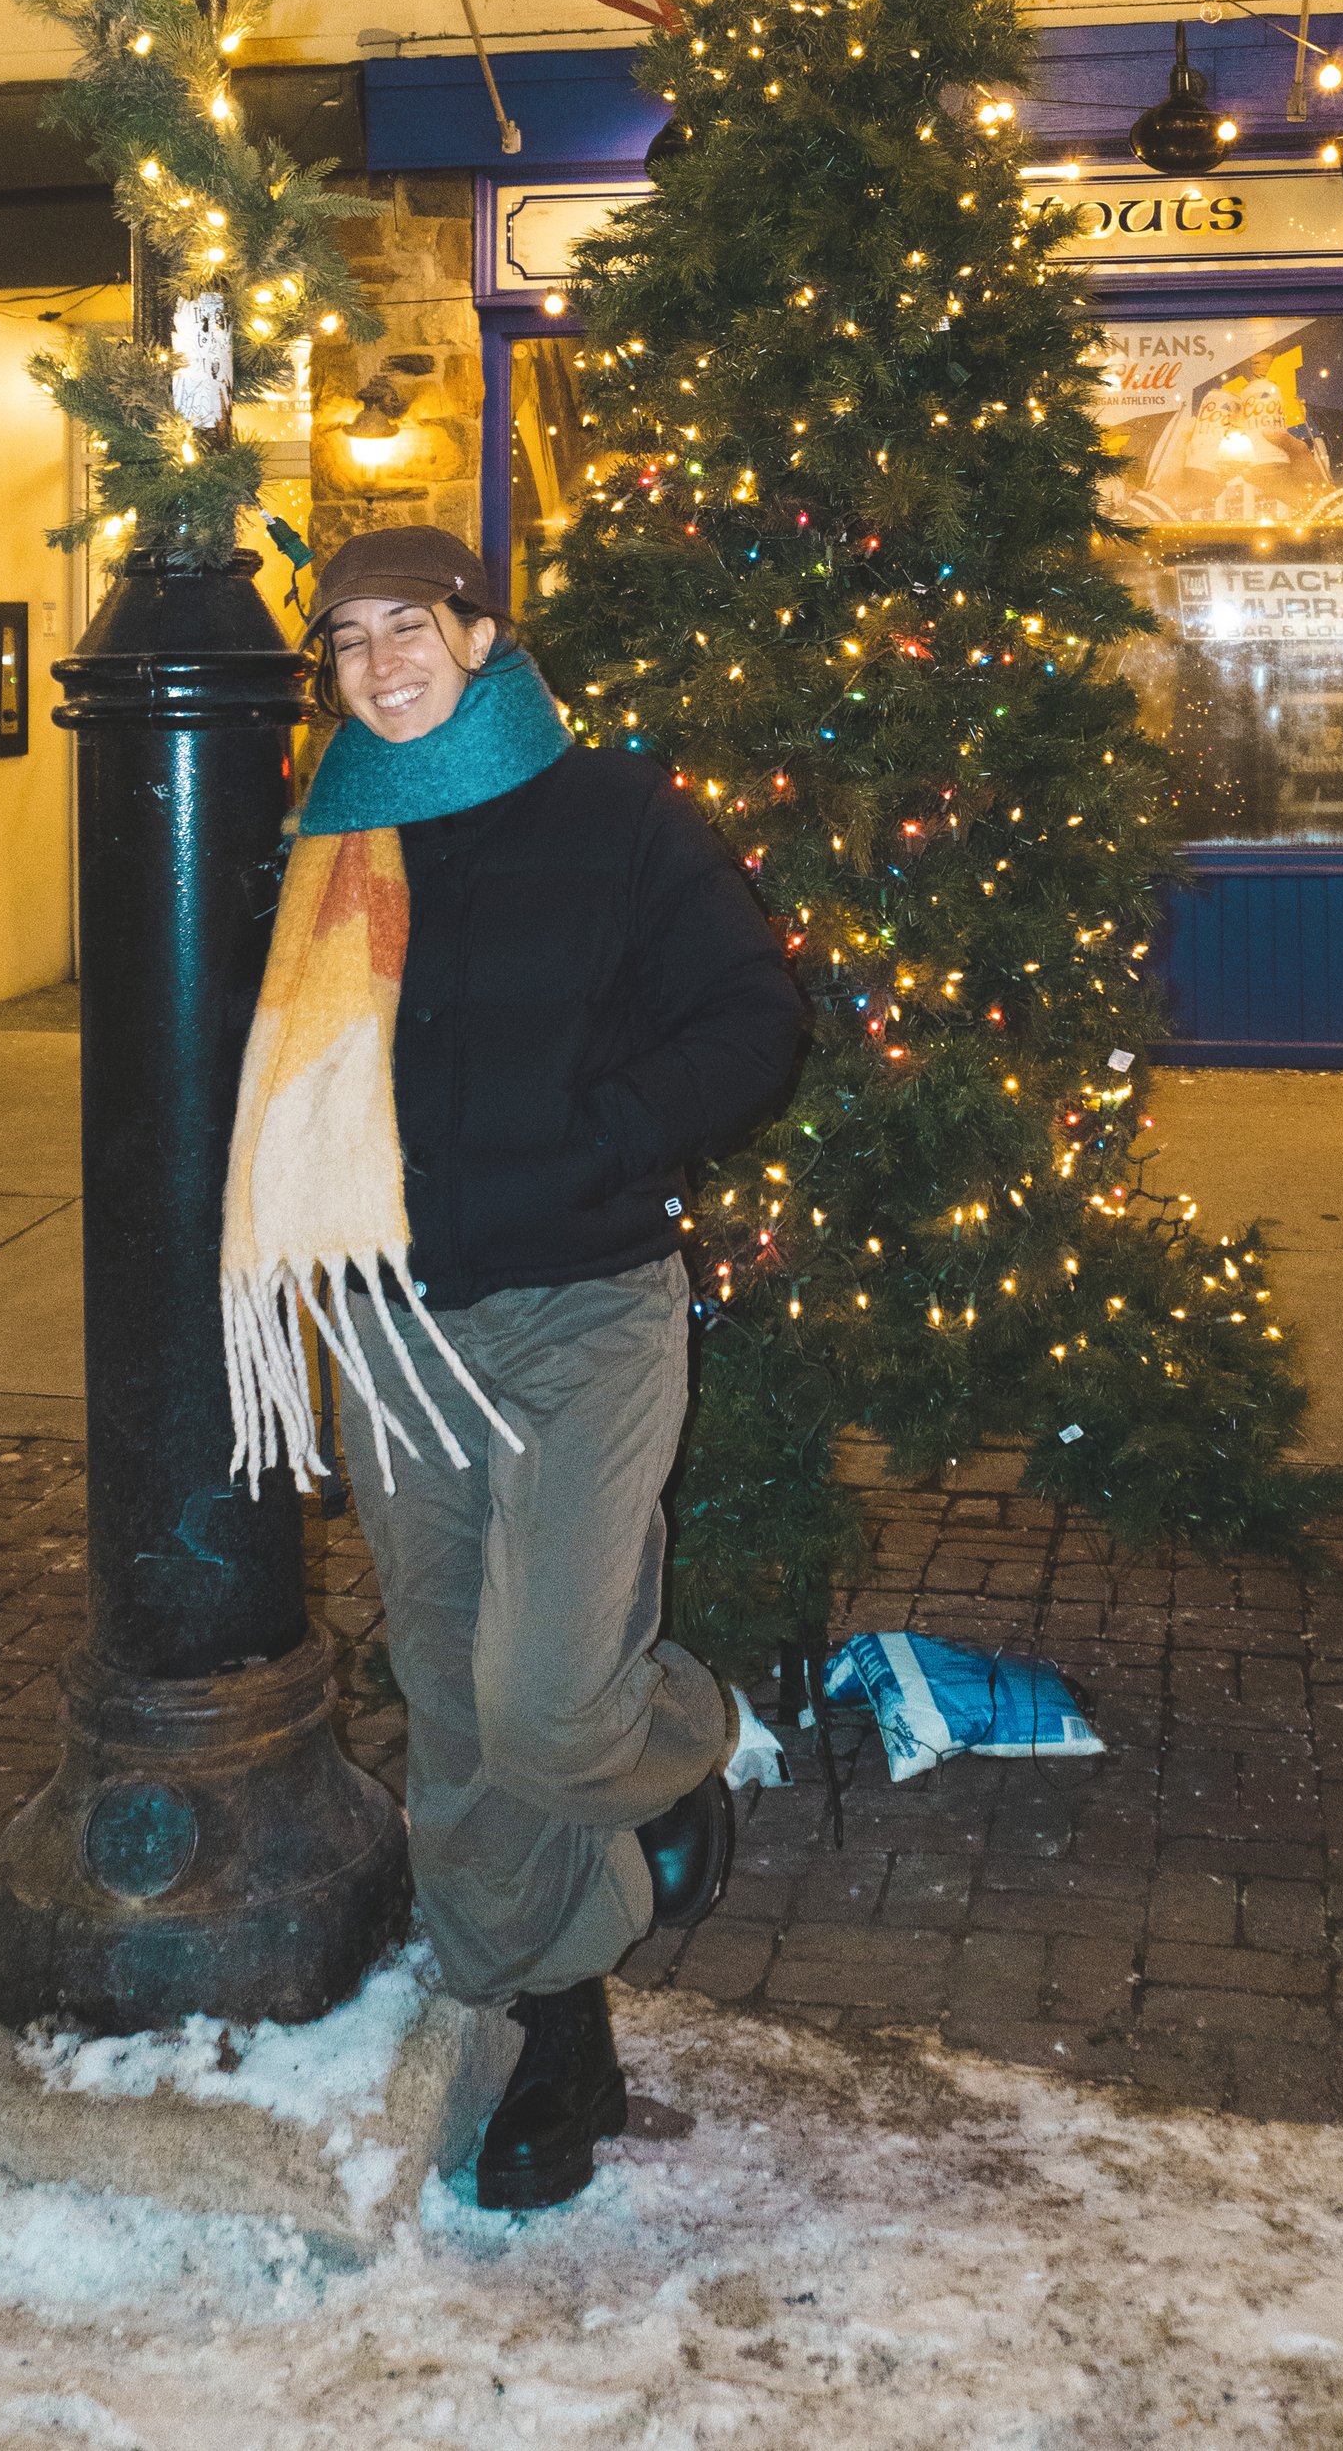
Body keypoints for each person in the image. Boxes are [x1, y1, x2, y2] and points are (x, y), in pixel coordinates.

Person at [223, 523, 808, 2213]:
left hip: (583, 1312)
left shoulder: (616, 815)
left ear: (482, 632)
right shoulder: (330, 836)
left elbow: (753, 1022)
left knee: (549, 1708)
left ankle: (682, 1738)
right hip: (397, 1328)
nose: (380, 659)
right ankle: (554, 2024)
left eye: (412, 624)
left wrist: (597, 1135)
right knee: (459, 1711)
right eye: (347, 639)